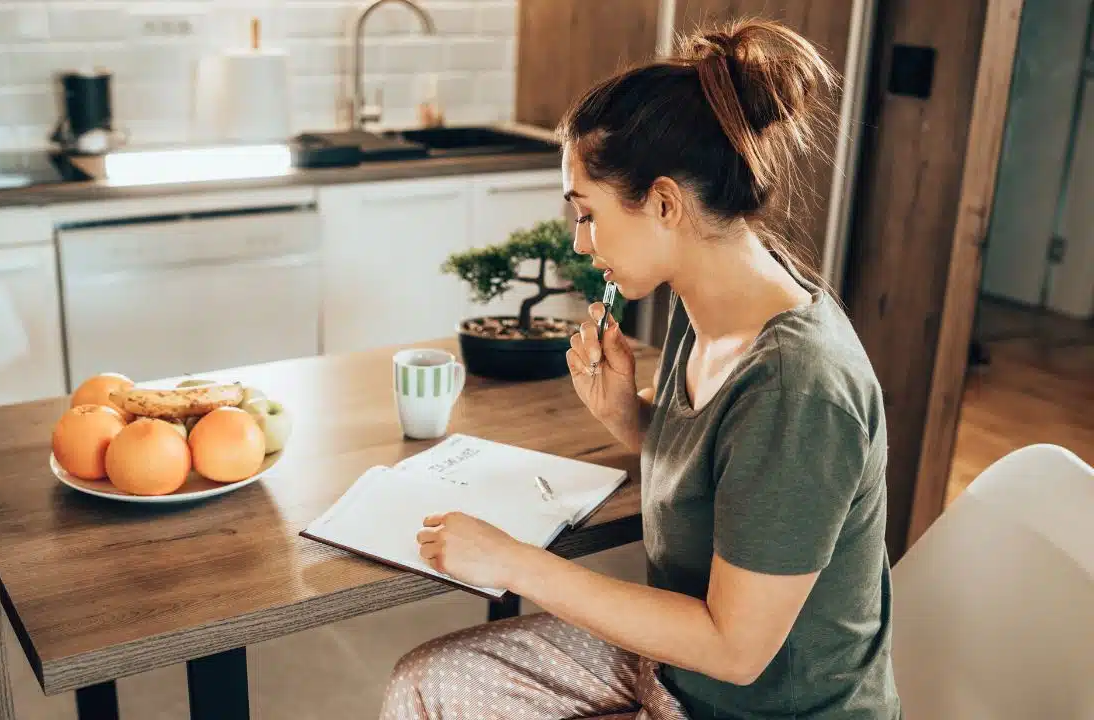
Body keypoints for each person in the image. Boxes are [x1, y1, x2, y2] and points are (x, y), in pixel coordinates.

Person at [378, 17, 903, 720]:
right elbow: (729, 479)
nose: (580, 242)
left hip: (746, 703)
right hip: (673, 676)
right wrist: (630, 416)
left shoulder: (799, 387)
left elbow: (735, 649)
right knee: (426, 681)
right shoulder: (711, 306)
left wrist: (514, 565)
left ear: (663, 204)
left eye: (586, 214)